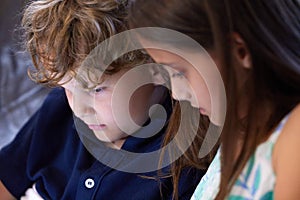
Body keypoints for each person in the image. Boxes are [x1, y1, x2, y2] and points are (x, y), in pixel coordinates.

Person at [0, 0, 205, 199]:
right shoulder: (58, 111)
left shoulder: (183, 158)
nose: (79, 109)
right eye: (67, 89)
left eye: (95, 89)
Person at [128, 0, 300, 199]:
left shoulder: (293, 139)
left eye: (178, 72)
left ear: (239, 50)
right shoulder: (238, 135)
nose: (176, 94)